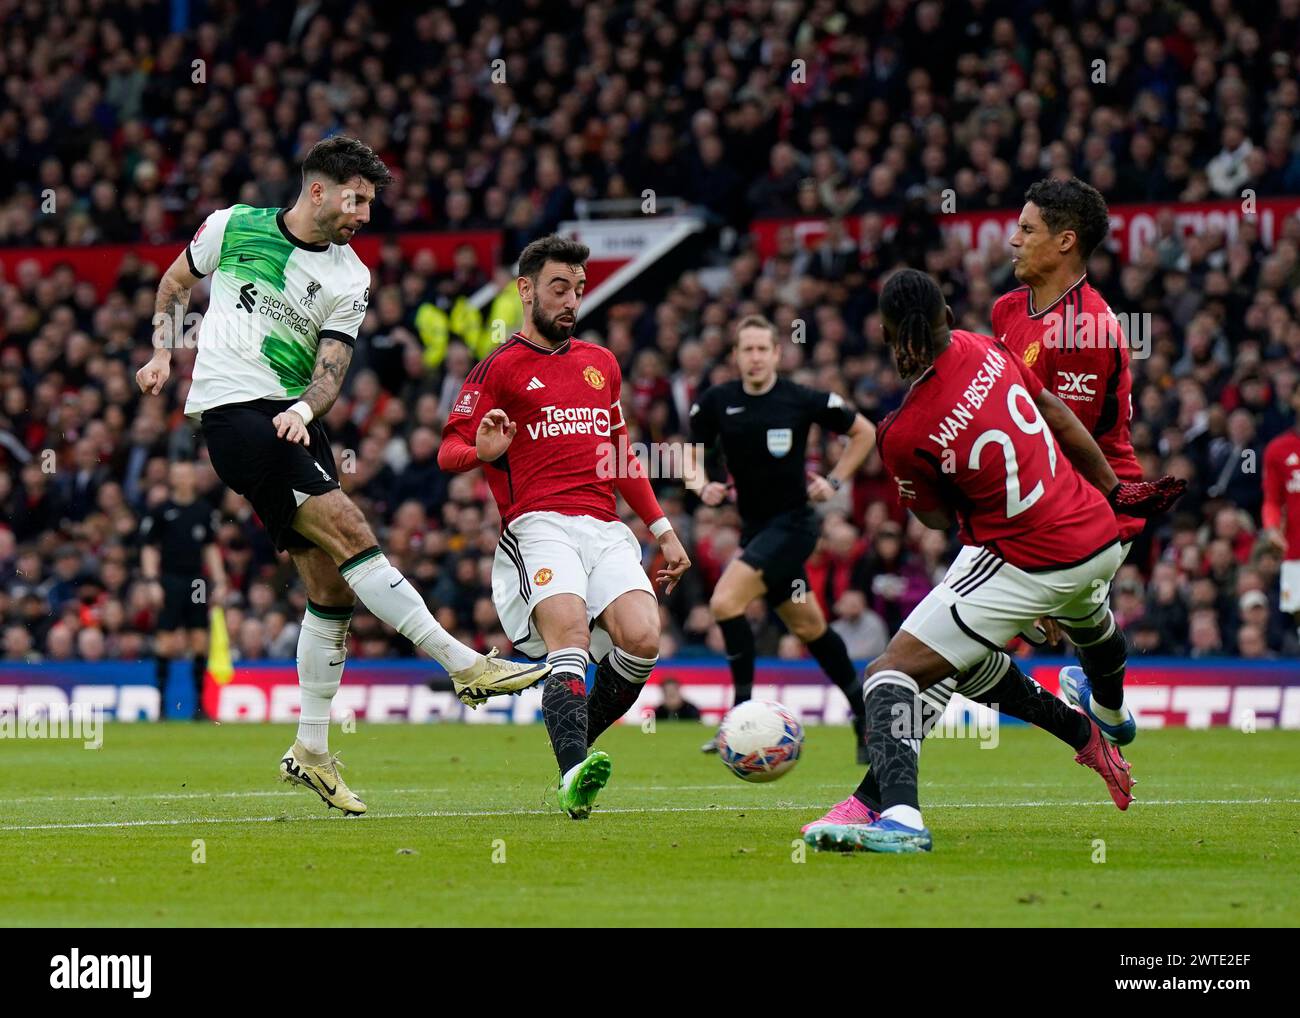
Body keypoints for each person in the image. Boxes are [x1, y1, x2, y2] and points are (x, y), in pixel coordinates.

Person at [135, 136, 548, 817]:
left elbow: (330, 373)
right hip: (235, 416)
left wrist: (302, 409)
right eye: (355, 199)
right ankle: (463, 665)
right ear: (318, 191)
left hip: (293, 417)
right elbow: (176, 282)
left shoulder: (351, 278)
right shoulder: (231, 226)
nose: (362, 214)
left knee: (332, 587)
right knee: (351, 529)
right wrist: (160, 351)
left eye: (370, 204)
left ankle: (311, 751)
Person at [802, 269, 1183, 853]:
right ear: (948, 318)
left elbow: (934, 521)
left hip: (1029, 556)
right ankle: (1103, 718)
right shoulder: (985, 348)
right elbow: (1056, 411)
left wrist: (932, 492)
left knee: (891, 675)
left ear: (884, 334)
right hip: (1097, 536)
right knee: (1015, 645)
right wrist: (1114, 489)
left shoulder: (901, 433)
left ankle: (899, 817)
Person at [438, 234, 692, 819]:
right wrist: (480, 449)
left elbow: (621, 456)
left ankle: (573, 736)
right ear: (525, 290)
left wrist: (663, 530)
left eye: (578, 289)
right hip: (538, 523)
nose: (571, 300)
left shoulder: (602, 365)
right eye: (559, 288)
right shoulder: (497, 368)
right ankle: (573, 772)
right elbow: (448, 451)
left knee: (643, 638)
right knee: (571, 637)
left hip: (604, 526)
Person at [994, 177, 1148, 742]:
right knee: (1088, 623)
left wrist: (1042, 553)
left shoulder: (1085, 327)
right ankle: (1105, 708)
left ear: (1065, 241)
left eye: (1027, 229)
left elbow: (1067, 447)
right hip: (1035, 499)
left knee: (943, 647)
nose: (1013, 240)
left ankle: (889, 797)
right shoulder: (1008, 309)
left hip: (1097, 507)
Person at [686, 315, 877, 759]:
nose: (753, 357)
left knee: (723, 602)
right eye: (745, 349)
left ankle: (738, 715)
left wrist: (834, 479)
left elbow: (863, 432)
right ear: (735, 356)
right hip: (756, 530)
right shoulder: (718, 401)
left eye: (761, 349)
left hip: (794, 525)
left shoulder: (800, 398)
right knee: (809, 626)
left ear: (777, 353)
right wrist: (701, 485)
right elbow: (689, 454)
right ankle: (865, 714)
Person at [138, 460, 227, 719]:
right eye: (178, 474)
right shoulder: (161, 511)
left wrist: (220, 581)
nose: (184, 479)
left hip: (197, 581)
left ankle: (200, 706)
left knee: (199, 639)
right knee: (165, 641)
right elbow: (149, 547)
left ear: (193, 479)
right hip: (169, 579)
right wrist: (152, 581)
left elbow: (210, 549)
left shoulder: (203, 510)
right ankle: (162, 706)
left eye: (188, 474)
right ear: (172, 479)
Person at [1262, 382, 1300, 637]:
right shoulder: (1278, 449)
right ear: (1294, 399)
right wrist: (1272, 528)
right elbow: (1272, 500)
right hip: (1296, 550)